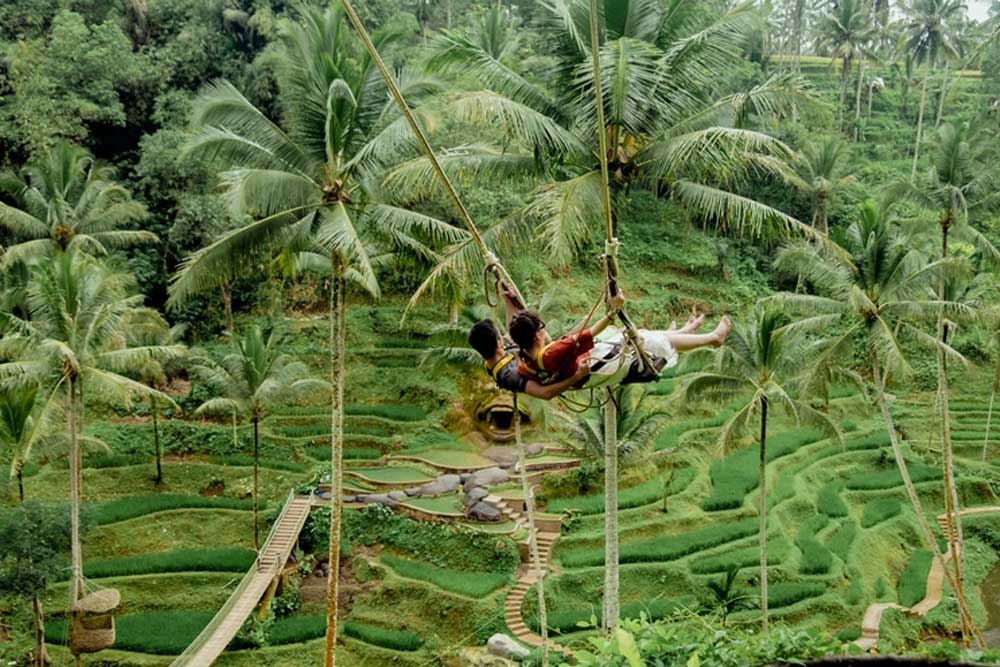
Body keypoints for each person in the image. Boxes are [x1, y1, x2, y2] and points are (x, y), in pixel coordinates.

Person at [468, 288, 726, 398]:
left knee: (640, 335)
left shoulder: (507, 355)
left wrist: (509, 300)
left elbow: (513, 334)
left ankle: (684, 332)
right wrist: (611, 311)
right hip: (583, 370)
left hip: (567, 362)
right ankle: (712, 339)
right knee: (646, 340)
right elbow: (544, 393)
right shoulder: (510, 375)